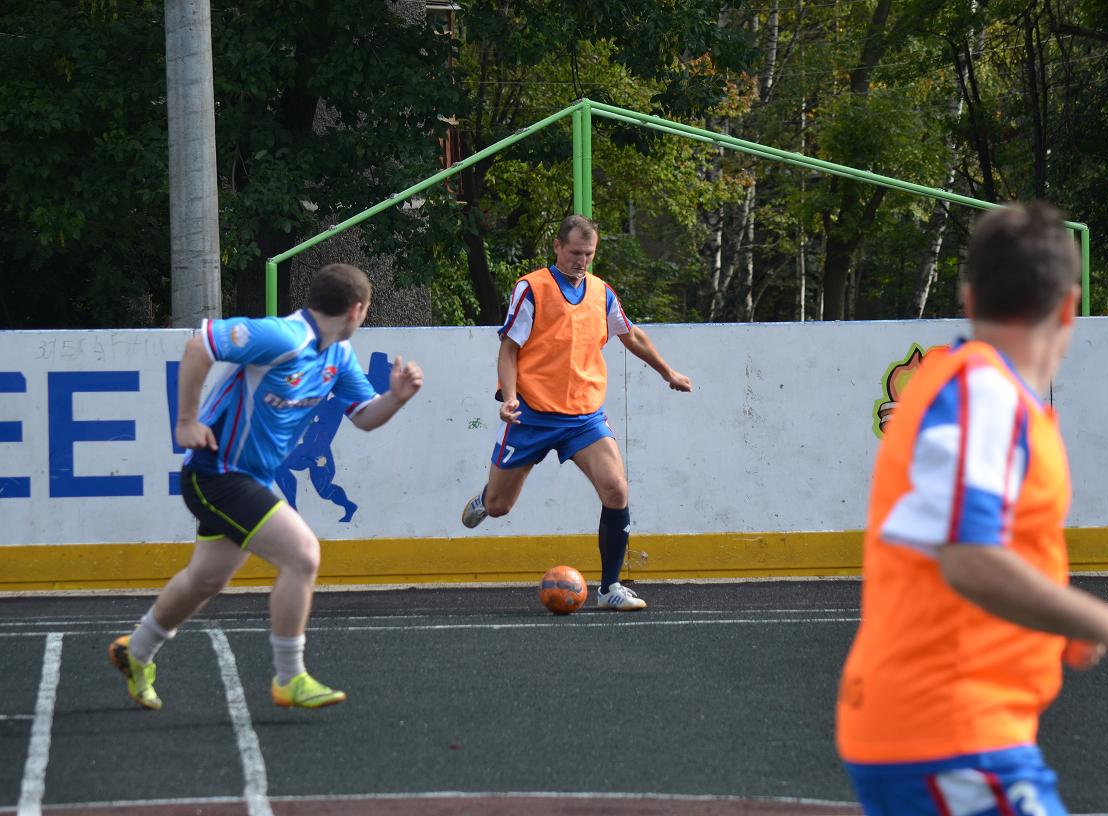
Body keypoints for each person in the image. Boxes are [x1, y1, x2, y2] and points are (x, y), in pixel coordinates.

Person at [835, 202, 1108, 813]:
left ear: (969, 300)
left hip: (945, 731)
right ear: (1069, 307)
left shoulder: (974, 390)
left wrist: (1061, 621)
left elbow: (980, 545)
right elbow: (968, 557)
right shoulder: (983, 394)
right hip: (951, 734)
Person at [109, 263, 423, 710]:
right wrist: (186, 421)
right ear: (357, 309)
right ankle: (290, 677)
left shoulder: (337, 356)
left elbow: (365, 417)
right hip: (216, 471)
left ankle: (136, 650)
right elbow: (199, 345)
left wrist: (396, 398)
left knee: (206, 578)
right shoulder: (283, 336)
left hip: (246, 479)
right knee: (303, 554)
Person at [460, 214, 691, 611]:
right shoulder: (532, 288)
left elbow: (630, 334)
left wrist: (667, 371)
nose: (581, 261)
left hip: (583, 416)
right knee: (500, 507)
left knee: (616, 489)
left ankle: (610, 588)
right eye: (574, 253)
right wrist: (510, 397)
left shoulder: (601, 292)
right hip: (531, 414)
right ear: (557, 246)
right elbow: (509, 349)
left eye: (589, 254)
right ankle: (486, 496)